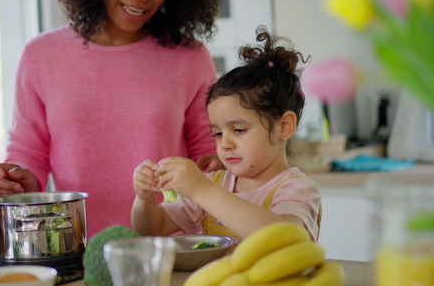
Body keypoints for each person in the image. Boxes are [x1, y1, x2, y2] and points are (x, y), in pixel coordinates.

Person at [0, 0, 223, 236]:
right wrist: (21, 181)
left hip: (168, 250)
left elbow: (208, 156)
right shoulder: (41, 55)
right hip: (77, 249)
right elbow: (29, 151)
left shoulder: (190, 57)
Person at [131, 26, 322, 241]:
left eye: (239, 130)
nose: (225, 144)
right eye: (218, 134)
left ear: (284, 126)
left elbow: (286, 240)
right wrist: (144, 199)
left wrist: (201, 190)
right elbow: (149, 229)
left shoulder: (295, 189)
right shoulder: (214, 182)